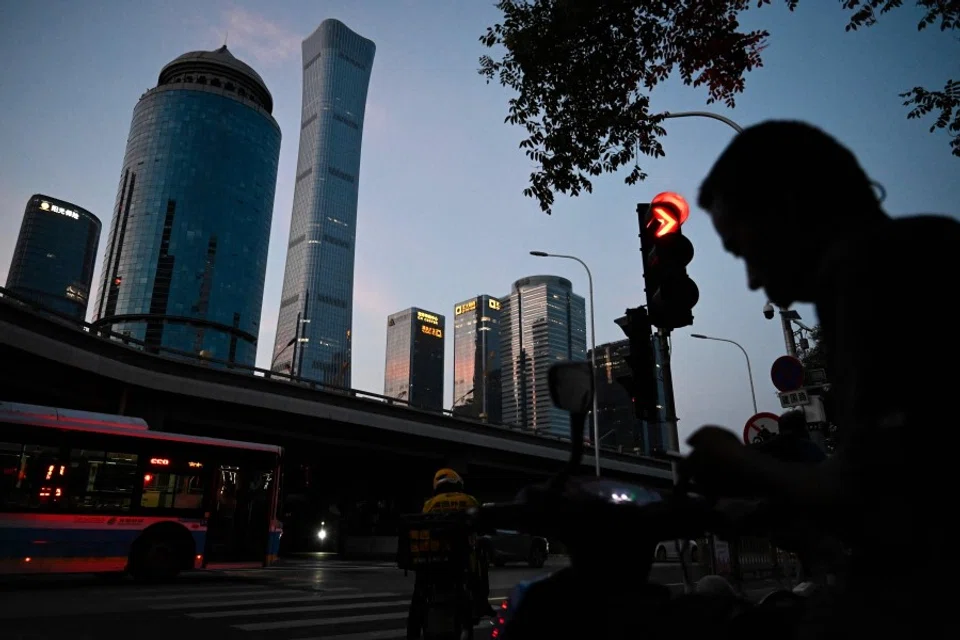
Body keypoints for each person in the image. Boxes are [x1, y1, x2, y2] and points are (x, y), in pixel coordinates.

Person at [679, 120, 957, 638]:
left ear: (787, 205)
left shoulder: (883, 270)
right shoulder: (897, 259)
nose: (752, 279)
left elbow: (880, 492)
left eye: (742, 247)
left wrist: (736, 461)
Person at [406, 469, 494, 639]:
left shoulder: (430, 504)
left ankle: (413, 633)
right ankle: (482, 601)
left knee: (418, 598)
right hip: (462, 561)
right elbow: (481, 524)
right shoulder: (469, 500)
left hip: (431, 561)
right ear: (457, 483)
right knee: (481, 553)